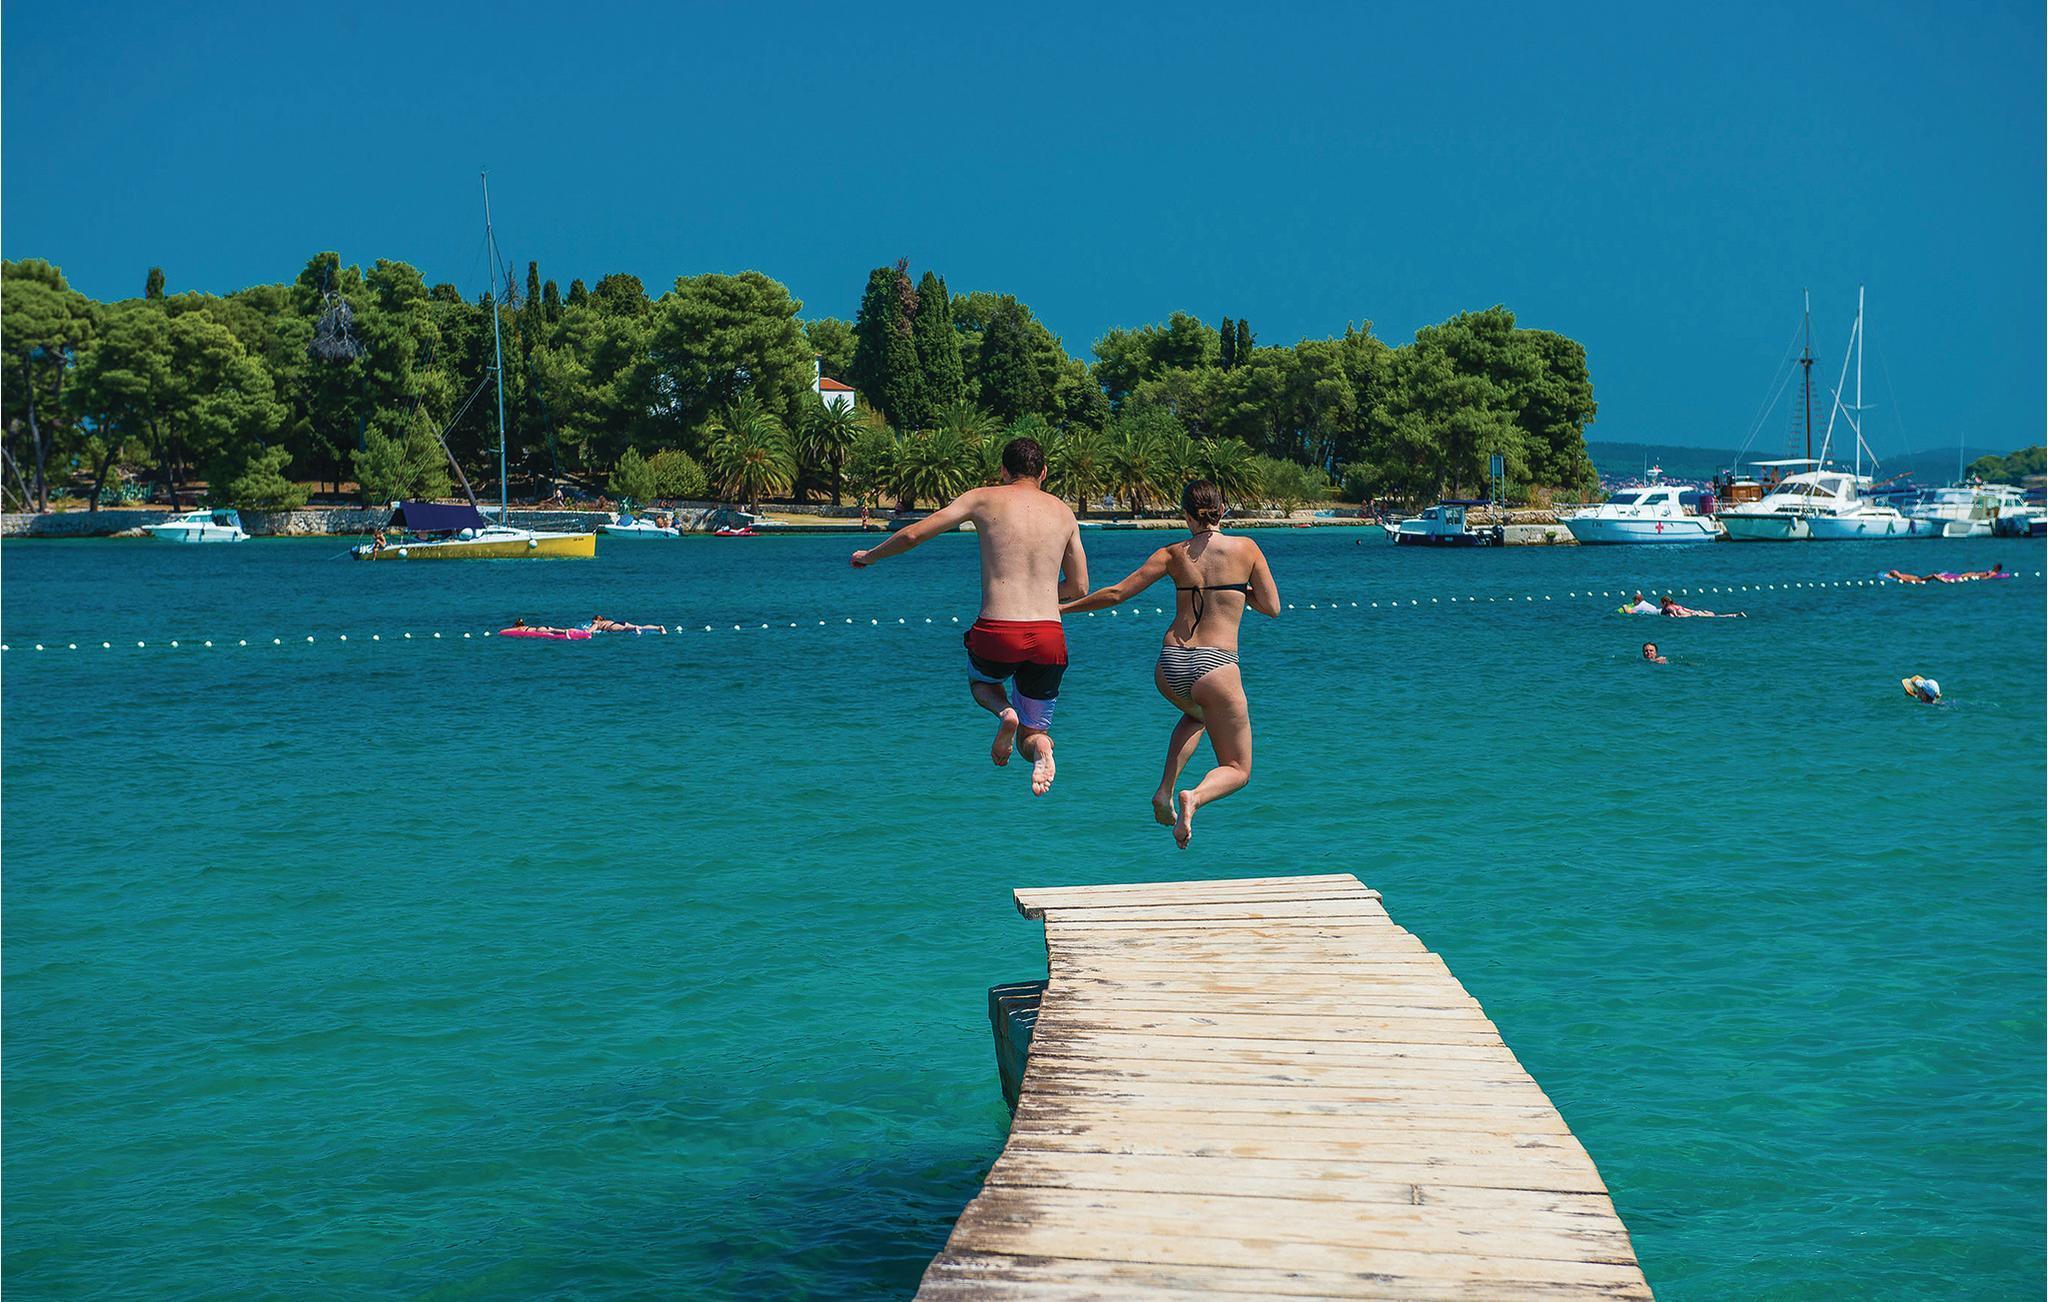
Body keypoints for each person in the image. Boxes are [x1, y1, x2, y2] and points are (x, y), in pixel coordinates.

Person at [850, 437, 1088, 796]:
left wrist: (870, 555)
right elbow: (1080, 586)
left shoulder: (982, 498)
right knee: (1033, 734)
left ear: (1003, 471)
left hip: (997, 631)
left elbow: (913, 535)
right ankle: (1041, 747)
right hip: (1048, 636)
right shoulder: (1064, 513)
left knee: (981, 683)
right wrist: (1041, 595)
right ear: (1043, 472)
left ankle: (1004, 713)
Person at [1060, 480, 1279, 847]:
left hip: (1171, 664)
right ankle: (1194, 797)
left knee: (1198, 715)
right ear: (1221, 511)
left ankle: (1164, 791)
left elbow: (1116, 593)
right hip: (1217, 666)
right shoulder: (1247, 549)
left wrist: (1062, 609)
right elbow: (1272, 607)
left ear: (1187, 515)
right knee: (1237, 769)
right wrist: (1238, 589)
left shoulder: (1172, 554)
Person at [1660, 595, 1745, 618]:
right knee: (1717, 616)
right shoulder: (1677, 605)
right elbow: (1689, 610)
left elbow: (1675, 615)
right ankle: (1736, 615)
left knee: (1718, 617)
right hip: (1696, 612)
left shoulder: (1669, 608)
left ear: (1664, 602)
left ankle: (1736, 615)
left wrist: (1676, 617)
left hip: (1694, 615)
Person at [587, 615, 667, 634]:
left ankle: (634, 629)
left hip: (612, 626)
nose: (592, 623)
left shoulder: (597, 624)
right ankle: (658, 628)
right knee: (641, 627)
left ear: (595, 620)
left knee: (626, 629)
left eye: (592, 621)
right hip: (619, 622)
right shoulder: (606, 621)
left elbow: (588, 631)